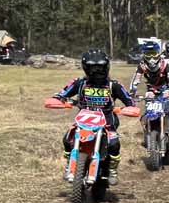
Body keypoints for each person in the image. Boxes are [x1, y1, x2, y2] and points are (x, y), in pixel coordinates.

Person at [53, 50, 135, 184]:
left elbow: (129, 100)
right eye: (93, 68)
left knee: (114, 144)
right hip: (84, 119)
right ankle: (69, 163)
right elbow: (62, 93)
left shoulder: (113, 85)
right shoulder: (80, 83)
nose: (97, 72)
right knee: (67, 139)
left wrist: (129, 107)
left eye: (100, 68)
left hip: (107, 120)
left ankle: (112, 169)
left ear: (106, 66)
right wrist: (57, 99)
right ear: (86, 68)